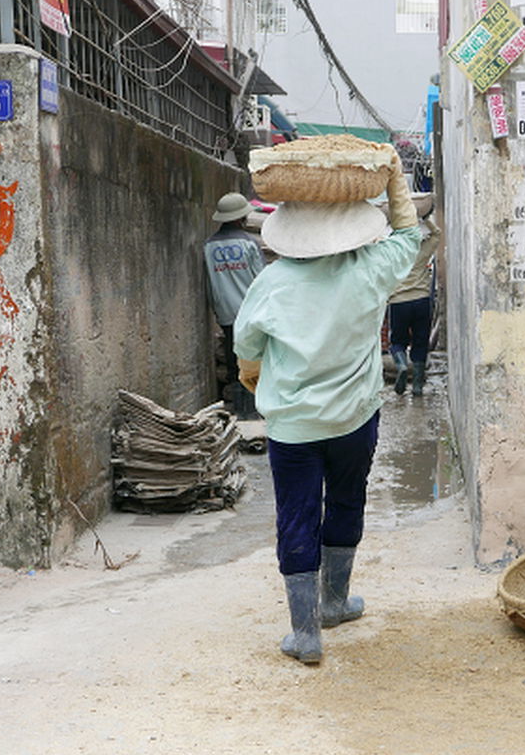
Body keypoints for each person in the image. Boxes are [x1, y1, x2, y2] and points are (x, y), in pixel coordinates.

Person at [232, 154, 421, 665]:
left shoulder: (270, 284)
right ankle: (335, 601)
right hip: (354, 419)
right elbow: (409, 236)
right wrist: (398, 181)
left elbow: (246, 345)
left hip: (292, 427)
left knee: (296, 516)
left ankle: (306, 633)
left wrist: (253, 374)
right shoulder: (370, 271)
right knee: (345, 502)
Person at [204, 192, 265, 419]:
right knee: (254, 363)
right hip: (251, 313)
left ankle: (240, 413)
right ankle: (254, 413)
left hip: (227, 315)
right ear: (242, 218)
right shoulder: (249, 243)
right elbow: (261, 280)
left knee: (234, 366)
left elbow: (210, 283)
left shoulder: (208, 246)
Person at [387, 201, 440, 396]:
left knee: (397, 341)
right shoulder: (420, 250)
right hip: (421, 300)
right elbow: (436, 235)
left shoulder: (390, 253)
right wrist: (426, 219)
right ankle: (417, 385)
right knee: (420, 341)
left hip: (398, 302)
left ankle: (401, 365)